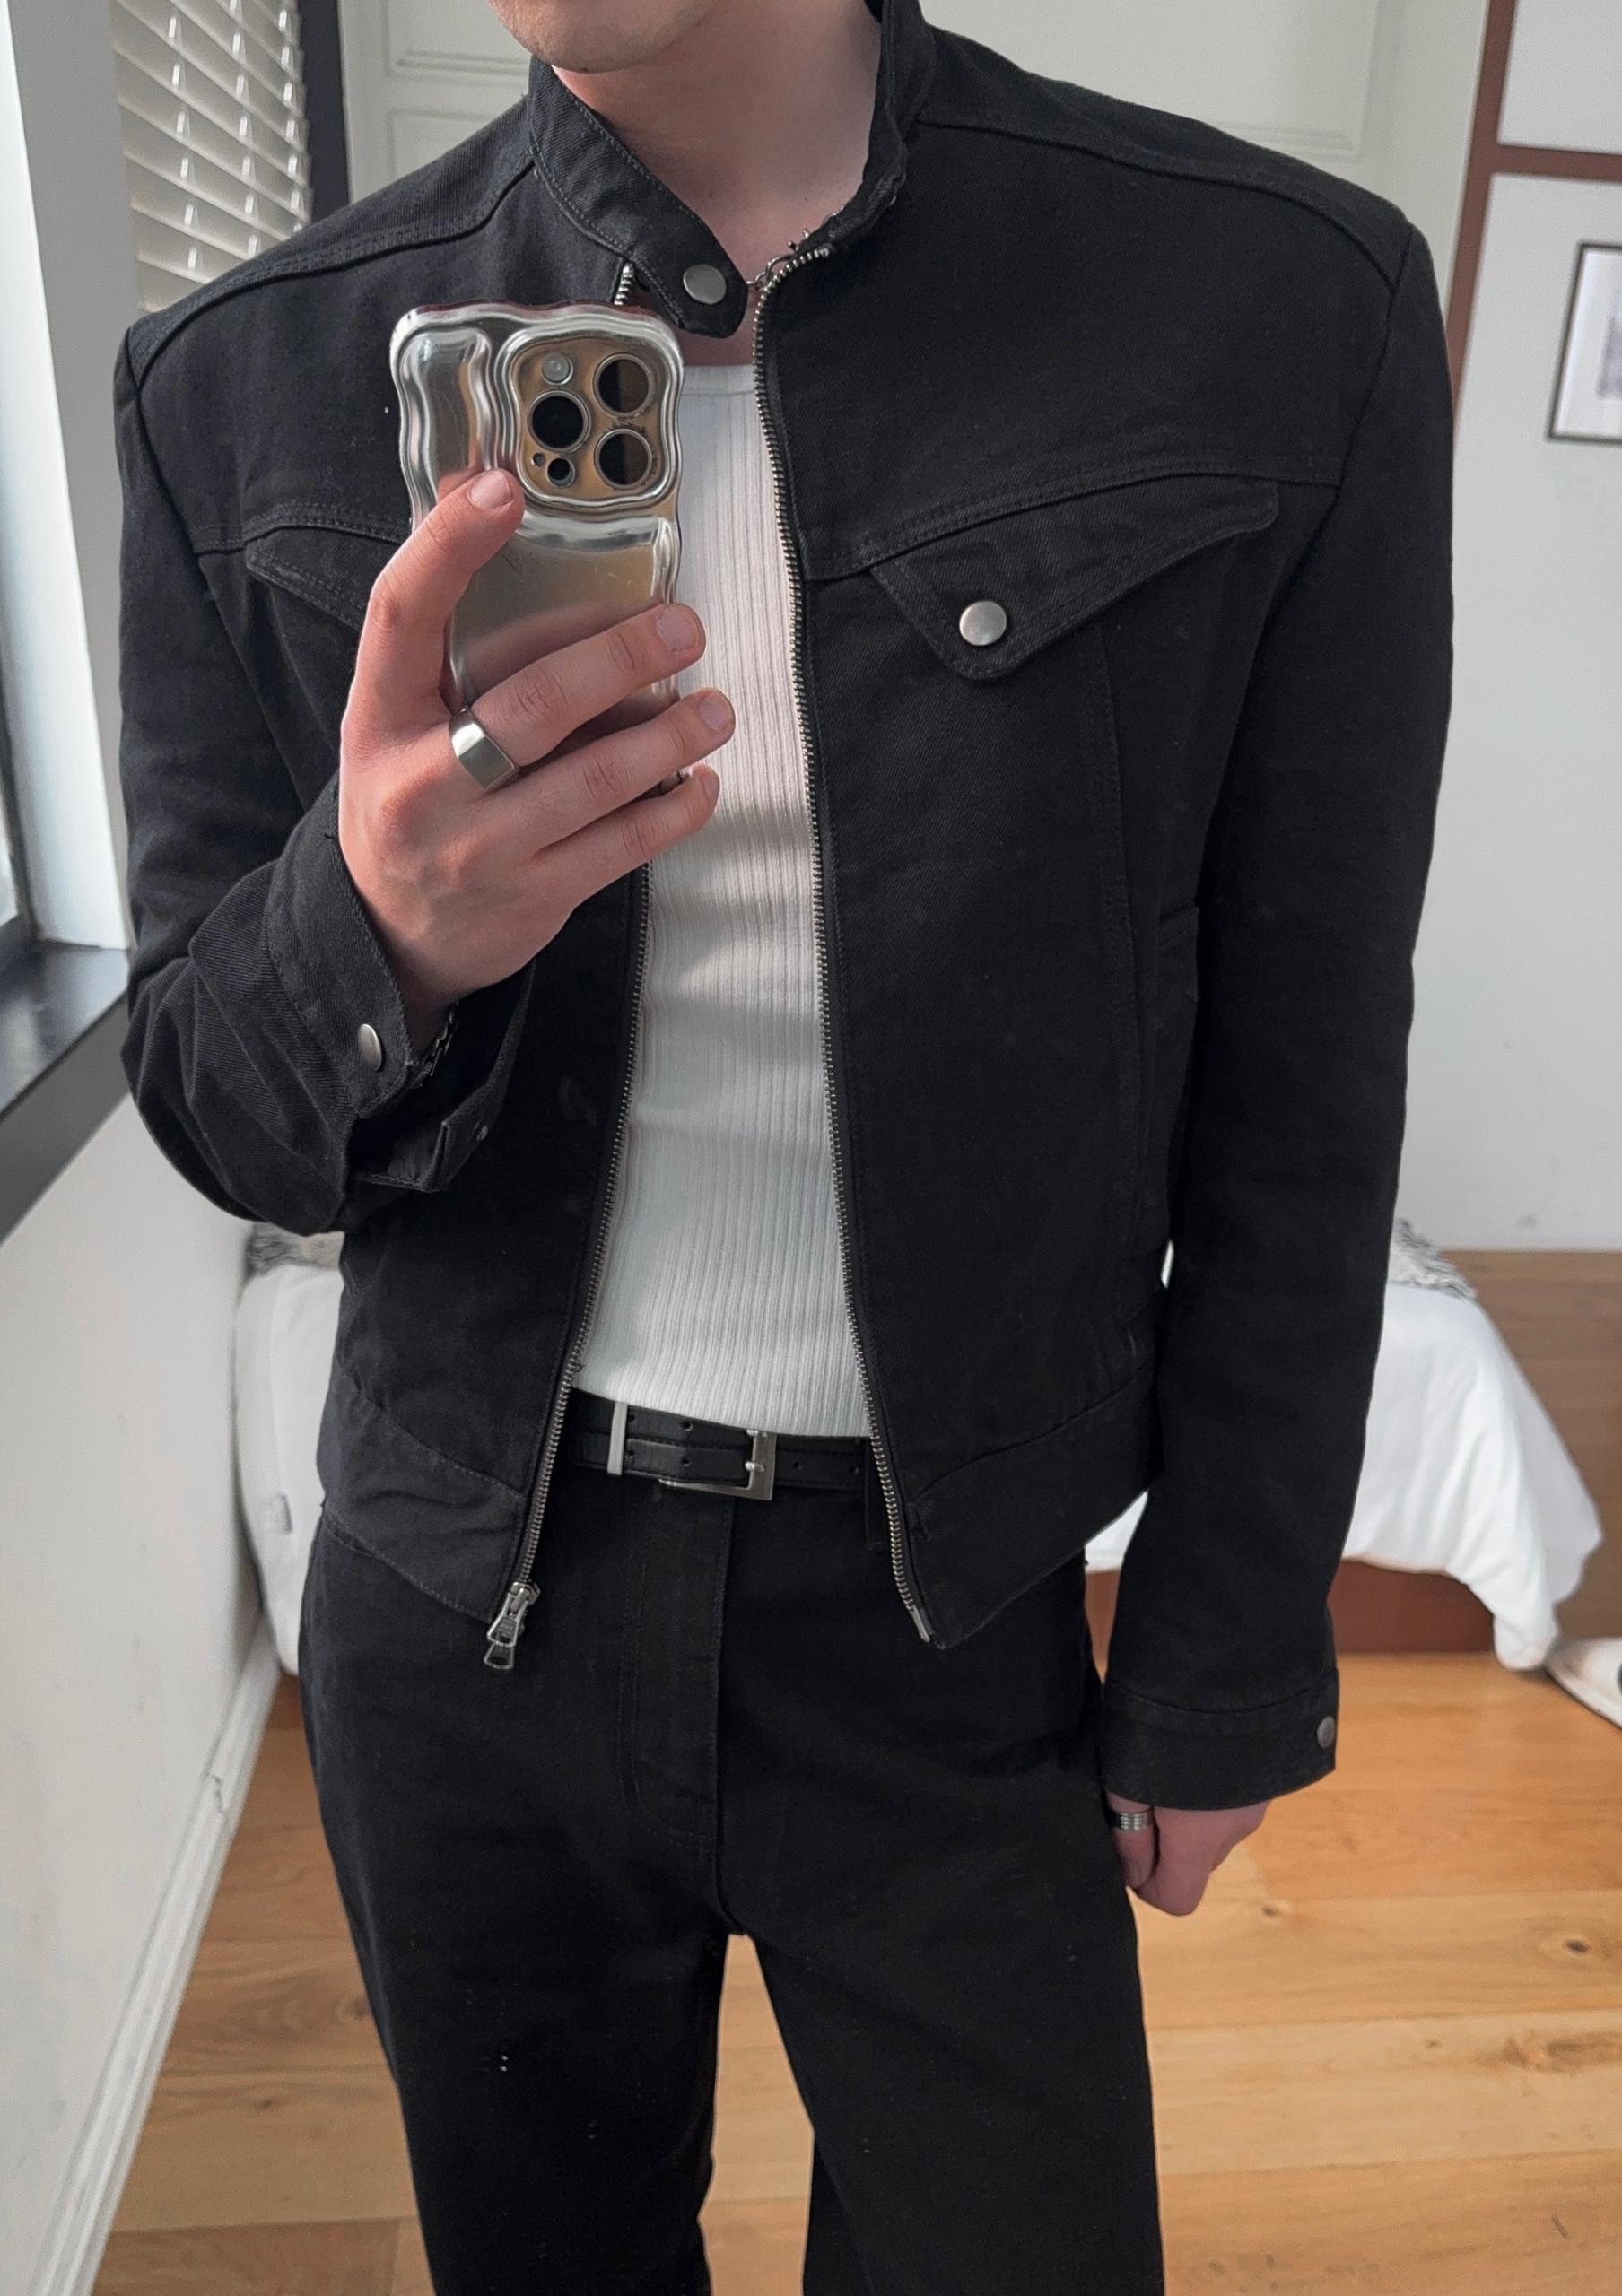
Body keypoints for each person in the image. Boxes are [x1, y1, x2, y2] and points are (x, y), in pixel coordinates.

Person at [112, 0, 1453, 2288]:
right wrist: (378, 933)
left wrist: (1231, 1642)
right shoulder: (241, 378)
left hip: (958, 1608)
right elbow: (214, 1105)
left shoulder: (1275, 310)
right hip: (463, 1603)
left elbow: (1309, 1074)